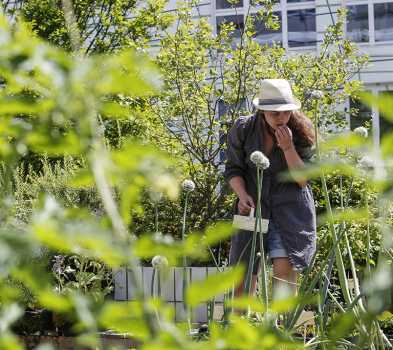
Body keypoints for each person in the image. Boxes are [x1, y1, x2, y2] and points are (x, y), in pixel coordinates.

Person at [224, 79, 317, 300]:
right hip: (252, 210)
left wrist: (287, 147)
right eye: (274, 113)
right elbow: (233, 169)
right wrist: (242, 194)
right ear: (262, 110)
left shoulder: (302, 131)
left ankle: (283, 332)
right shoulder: (243, 128)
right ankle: (239, 329)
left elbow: (303, 180)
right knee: (242, 278)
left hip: (290, 213)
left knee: (284, 280)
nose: (281, 118)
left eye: (285, 112)